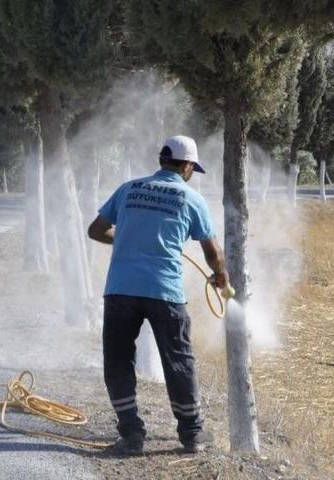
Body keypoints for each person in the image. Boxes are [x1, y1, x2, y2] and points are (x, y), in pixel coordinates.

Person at [87, 135, 229, 456]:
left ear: (162, 160)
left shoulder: (128, 189)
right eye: (192, 169)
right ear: (187, 165)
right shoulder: (191, 198)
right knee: (178, 360)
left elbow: (96, 230)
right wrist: (221, 276)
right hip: (164, 291)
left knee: (118, 360)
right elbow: (213, 252)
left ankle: (131, 434)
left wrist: (128, 238)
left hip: (121, 288)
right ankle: (192, 435)